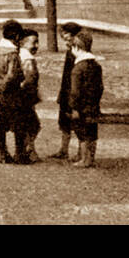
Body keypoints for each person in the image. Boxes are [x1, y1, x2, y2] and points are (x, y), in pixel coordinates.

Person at [0, 19, 25, 164]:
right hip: (11, 92)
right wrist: (3, 87)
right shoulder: (12, 53)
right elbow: (11, 74)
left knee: (1, 122)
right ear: (15, 36)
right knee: (18, 122)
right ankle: (19, 154)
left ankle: (2, 153)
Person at [67, 30, 104, 168]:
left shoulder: (78, 69)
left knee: (82, 133)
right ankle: (91, 158)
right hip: (93, 105)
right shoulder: (96, 65)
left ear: (76, 48)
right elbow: (100, 87)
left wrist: (74, 107)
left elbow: (75, 91)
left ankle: (85, 159)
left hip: (81, 107)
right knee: (93, 132)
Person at [49, 21, 83, 160]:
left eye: (66, 33)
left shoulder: (78, 51)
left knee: (77, 123)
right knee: (64, 122)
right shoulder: (71, 49)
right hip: (66, 89)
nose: (63, 36)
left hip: (73, 90)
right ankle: (64, 149)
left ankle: (81, 152)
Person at [15, 28, 41, 163]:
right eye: (34, 43)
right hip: (26, 96)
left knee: (29, 125)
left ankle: (29, 149)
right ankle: (27, 150)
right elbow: (30, 78)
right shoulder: (28, 59)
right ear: (22, 43)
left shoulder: (18, 55)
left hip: (22, 96)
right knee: (33, 125)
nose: (36, 46)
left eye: (37, 42)